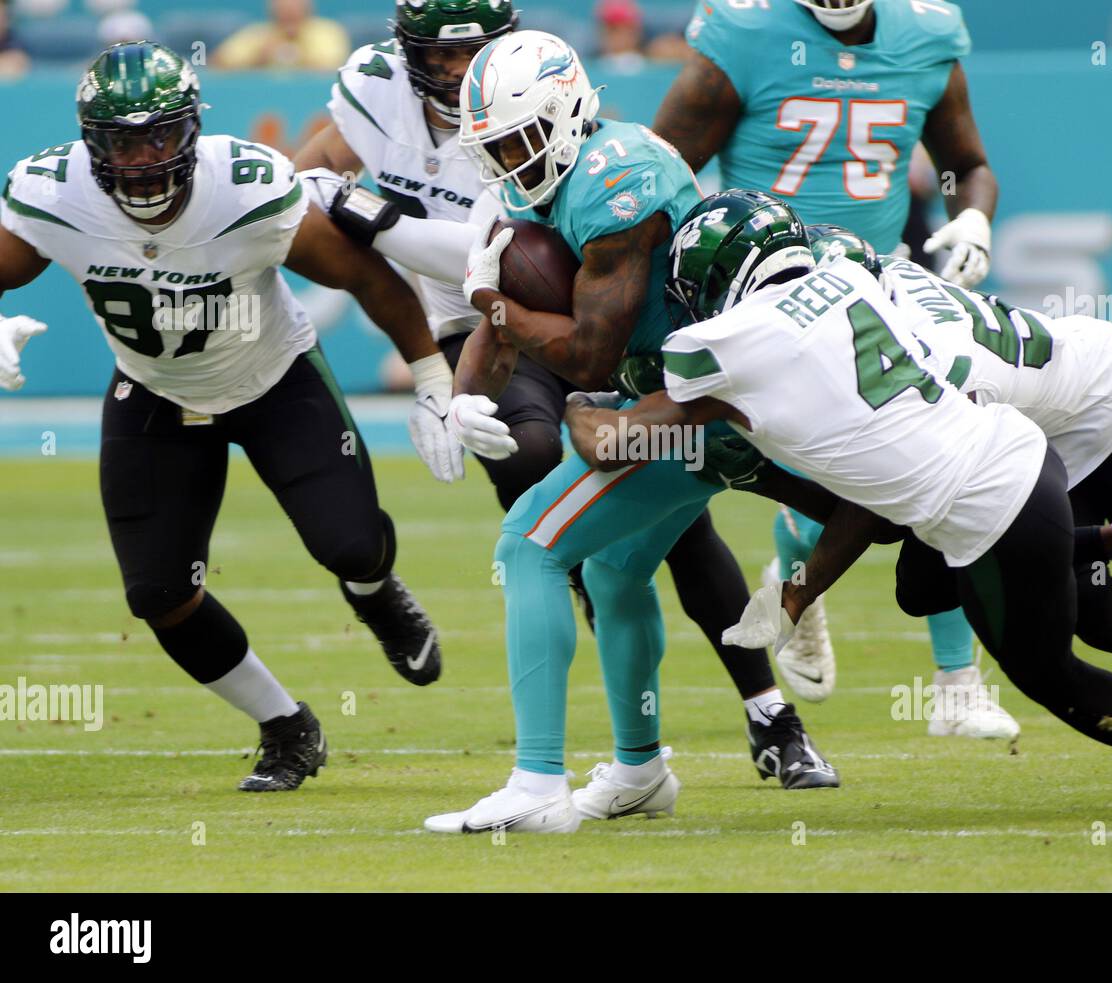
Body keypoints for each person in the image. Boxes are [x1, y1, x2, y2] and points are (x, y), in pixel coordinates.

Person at [567, 189, 1112, 819]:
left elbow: (611, 443)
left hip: (989, 507)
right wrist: (797, 596)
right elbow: (867, 509)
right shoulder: (849, 280)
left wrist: (572, 395)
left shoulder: (726, 344)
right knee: (920, 584)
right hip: (1019, 450)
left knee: (1051, 675)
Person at [300, 5, 831, 793]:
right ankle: (632, 751)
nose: (456, 74)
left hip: (602, 337)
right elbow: (331, 192)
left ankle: (761, 713)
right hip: (488, 325)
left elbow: (518, 279)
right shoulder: (385, 95)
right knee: (563, 499)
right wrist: (448, 384)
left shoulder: (588, 159)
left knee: (661, 521)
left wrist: (382, 221)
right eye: (439, 57)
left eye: (471, 54)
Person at [0, 42, 455, 791]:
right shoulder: (52, 194)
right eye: (123, 140)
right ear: (91, 144)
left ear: (192, 130)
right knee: (158, 595)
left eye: (159, 135)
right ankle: (287, 725)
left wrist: (433, 375)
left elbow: (366, 276)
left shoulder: (248, 189)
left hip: (274, 378)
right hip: (155, 390)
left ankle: (375, 593)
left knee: (351, 544)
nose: (144, 158)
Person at [422, 33, 843, 836]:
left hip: (716, 407)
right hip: (688, 400)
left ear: (566, 112)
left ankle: (538, 780)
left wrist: (493, 310)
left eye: (518, 138)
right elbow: (507, 287)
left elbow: (588, 350)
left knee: (529, 542)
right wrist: (465, 395)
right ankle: (641, 769)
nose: (508, 161)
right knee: (616, 573)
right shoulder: (540, 183)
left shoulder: (620, 183)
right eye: (493, 147)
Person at [650, 0, 1003, 726]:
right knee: (849, 482)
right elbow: (661, 173)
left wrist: (973, 217)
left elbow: (968, 165)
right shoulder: (744, 34)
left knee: (946, 451)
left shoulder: (926, 35)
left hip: (878, 284)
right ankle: (797, 559)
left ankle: (957, 682)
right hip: (768, 308)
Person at [213, 0, 349, 71]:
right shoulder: (257, 34)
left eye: (295, 5)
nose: (289, 11)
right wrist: (257, 59)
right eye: (283, 7)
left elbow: (333, 67)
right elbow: (219, 62)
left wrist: (296, 55)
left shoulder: (328, 32)